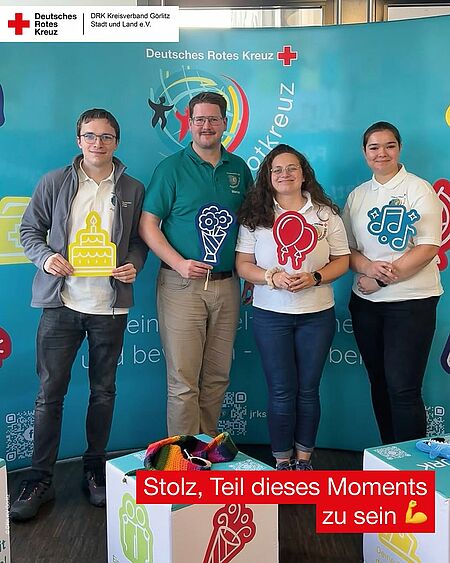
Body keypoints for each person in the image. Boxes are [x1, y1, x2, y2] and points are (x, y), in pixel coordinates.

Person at [11, 108, 147, 521]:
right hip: (61, 304)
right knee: (49, 394)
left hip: (109, 306)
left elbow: (139, 242)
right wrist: (46, 258)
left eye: (106, 137)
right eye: (90, 136)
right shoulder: (54, 182)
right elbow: (28, 231)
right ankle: (40, 479)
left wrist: (134, 265)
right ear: (78, 140)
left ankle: (94, 470)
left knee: (103, 391)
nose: (97, 143)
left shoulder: (132, 188)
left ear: (117, 142)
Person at [139, 91, 253, 437]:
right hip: (182, 286)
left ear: (225, 123)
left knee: (217, 377)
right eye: (199, 119)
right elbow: (148, 225)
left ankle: (205, 451)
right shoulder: (171, 168)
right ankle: (183, 458)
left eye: (213, 119)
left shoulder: (239, 169)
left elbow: (253, 226)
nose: (206, 126)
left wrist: (249, 274)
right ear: (189, 123)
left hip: (227, 285)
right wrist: (179, 263)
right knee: (184, 381)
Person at [236, 144, 349, 470]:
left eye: (291, 168)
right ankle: (282, 461)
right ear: (268, 177)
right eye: (277, 170)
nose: (284, 174)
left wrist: (315, 277)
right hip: (271, 316)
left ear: (303, 174)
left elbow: (342, 260)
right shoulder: (256, 217)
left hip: (317, 315)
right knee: (281, 391)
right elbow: (243, 264)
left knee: (308, 390)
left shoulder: (325, 214)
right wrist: (271, 277)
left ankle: (304, 460)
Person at [343, 121, 443, 445]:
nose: (381, 153)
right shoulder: (358, 195)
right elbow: (347, 249)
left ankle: (410, 468)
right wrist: (368, 268)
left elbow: (428, 247)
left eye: (389, 146)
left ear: (399, 149)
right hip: (366, 305)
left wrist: (381, 280)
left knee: (403, 388)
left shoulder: (419, 189)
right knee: (380, 384)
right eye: (374, 147)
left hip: (412, 304)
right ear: (364, 152)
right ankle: (389, 457)